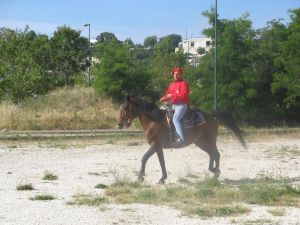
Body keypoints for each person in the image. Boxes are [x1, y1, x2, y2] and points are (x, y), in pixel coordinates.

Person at [160, 66, 190, 145]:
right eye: (174, 74)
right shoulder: (171, 85)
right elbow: (167, 94)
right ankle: (164, 136)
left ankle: (181, 139)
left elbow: (184, 95)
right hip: (173, 105)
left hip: (182, 105)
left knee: (175, 119)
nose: (176, 75)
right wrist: (163, 98)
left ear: (181, 75)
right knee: (161, 113)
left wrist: (172, 95)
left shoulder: (184, 84)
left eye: (178, 74)